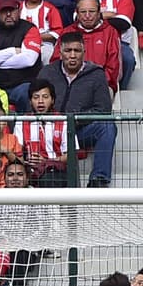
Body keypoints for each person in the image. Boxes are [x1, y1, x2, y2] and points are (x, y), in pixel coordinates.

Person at [36, 32, 115, 188]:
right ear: (60, 53)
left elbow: (103, 110)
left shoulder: (96, 74)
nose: (72, 55)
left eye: (77, 51)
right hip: (49, 130)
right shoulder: (47, 72)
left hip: (79, 131)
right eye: (68, 51)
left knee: (107, 125)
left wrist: (73, 120)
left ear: (84, 53)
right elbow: (33, 101)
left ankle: (98, 179)